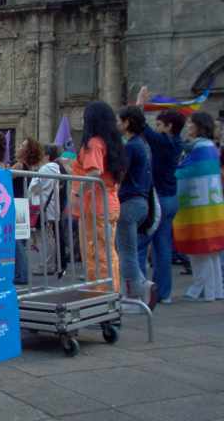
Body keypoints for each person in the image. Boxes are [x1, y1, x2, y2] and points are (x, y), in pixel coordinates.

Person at [135, 86, 186, 304]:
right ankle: (164, 294)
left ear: (169, 126)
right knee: (163, 246)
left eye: (159, 124)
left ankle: (139, 290)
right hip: (171, 198)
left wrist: (140, 103)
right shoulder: (177, 143)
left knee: (140, 243)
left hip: (159, 200)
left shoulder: (165, 142)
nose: (156, 128)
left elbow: (140, 126)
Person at [71, 101, 124, 293]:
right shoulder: (111, 143)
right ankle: (109, 291)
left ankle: (102, 293)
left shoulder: (93, 144)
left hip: (95, 205)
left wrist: (77, 192)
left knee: (96, 252)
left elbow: (94, 172)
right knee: (107, 251)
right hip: (109, 202)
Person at [174, 112, 224, 301]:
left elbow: (186, 172)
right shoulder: (209, 146)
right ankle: (215, 291)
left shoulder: (199, 147)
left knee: (200, 251)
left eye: (191, 124)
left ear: (199, 126)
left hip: (198, 208)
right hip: (210, 206)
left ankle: (201, 290)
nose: (188, 127)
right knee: (212, 253)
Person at [116, 106, 157, 309]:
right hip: (141, 203)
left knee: (126, 254)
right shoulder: (143, 145)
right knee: (129, 251)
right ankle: (142, 286)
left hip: (129, 203)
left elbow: (120, 175)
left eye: (119, 120)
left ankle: (135, 296)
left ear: (127, 122)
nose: (117, 124)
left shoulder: (131, 146)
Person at [11, 138, 42, 284]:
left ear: (27, 151)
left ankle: (21, 274)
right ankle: (21, 273)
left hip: (16, 204)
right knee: (20, 241)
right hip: (22, 204)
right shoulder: (29, 167)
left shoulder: (20, 165)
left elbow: (7, 176)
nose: (18, 147)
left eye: (22, 146)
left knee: (17, 241)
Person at [28, 144, 62, 275]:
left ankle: (47, 266)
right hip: (49, 207)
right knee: (48, 237)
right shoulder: (54, 168)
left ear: (47, 156)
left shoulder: (46, 168)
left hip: (44, 207)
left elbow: (34, 187)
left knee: (45, 239)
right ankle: (48, 264)